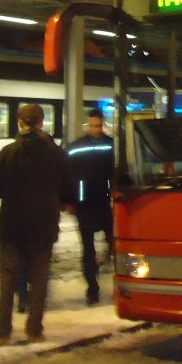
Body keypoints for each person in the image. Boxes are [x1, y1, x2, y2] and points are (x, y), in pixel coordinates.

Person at [0, 103, 76, 345]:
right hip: (43, 224)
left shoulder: (8, 152)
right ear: (41, 122)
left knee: (8, 279)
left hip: (12, 225)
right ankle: (34, 330)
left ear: (20, 122)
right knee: (39, 279)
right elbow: (68, 188)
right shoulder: (56, 153)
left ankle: (2, 331)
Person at [65, 109, 114, 305]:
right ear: (88, 125)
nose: (95, 129)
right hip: (84, 204)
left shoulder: (109, 145)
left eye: (98, 125)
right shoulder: (77, 147)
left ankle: (107, 283)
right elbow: (67, 175)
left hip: (103, 202)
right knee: (88, 249)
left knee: (112, 243)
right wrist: (69, 201)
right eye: (93, 125)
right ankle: (92, 288)